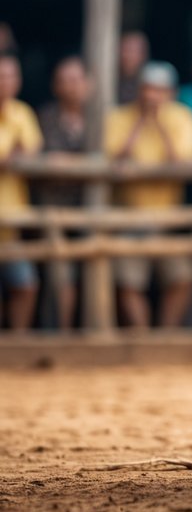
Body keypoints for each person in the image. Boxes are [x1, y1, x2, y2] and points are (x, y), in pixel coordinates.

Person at [106, 61, 192, 332]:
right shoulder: (119, 117)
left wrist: (158, 123)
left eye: (159, 91)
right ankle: (143, 335)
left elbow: (181, 162)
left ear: (170, 93)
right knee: (127, 282)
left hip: (167, 220)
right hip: (128, 219)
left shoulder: (182, 117)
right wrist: (139, 123)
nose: (152, 96)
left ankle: (165, 334)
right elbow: (114, 160)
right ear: (137, 90)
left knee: (182, 278)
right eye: (147, 89)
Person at [36, 56, 92, 331]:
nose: (71, 87)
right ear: (55, 86)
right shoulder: (46, 118)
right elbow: (42, 160)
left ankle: (88, 329)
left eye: (76, 79)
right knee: (61, 276)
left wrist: (67, 163)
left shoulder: (100, 120)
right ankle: (63, 333)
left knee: (93, 272)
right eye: (64, 81)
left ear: (89, 84)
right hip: (55, 208)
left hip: (91, 209)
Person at [0, 52, 41, 332]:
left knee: (25, 285)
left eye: (10, 76)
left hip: (11, 220)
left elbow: (30, 152)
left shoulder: (22, 112)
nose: (6, 82)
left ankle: (17, 342)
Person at [117, 30, 150, 105]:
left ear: (144, 54)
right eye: (124, 50)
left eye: (132, 51)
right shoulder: (109, 78)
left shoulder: (150, 82)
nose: (127, 56)